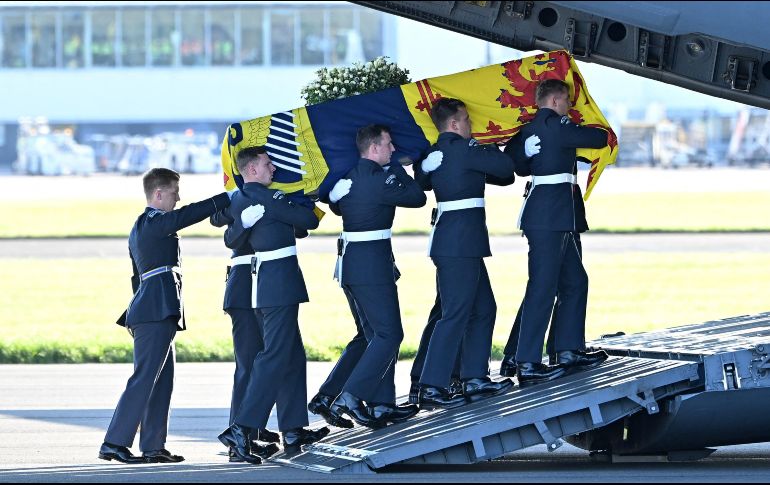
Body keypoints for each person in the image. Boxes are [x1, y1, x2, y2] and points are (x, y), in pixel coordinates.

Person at [99, 168, 231, 464]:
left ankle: (153, 445)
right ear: (158, 194)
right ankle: (114, 442)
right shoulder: (153, 222)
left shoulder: (149, 226)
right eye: (174, 192)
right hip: (154, 310)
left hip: (158, 309)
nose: (178, 198)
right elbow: (185, 216)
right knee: (145, 378)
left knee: (162, 380)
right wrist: (227, 197)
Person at [217, 146, 328, 464]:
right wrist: (300, 197)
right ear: (251, 170)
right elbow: (307, 220)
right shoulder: (268, 197)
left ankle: (292, 429)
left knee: (293, 355)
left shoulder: (241, 198)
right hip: (276, 285)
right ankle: (241, 428)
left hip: (270, 283)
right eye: (268, 164)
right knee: (274, 356)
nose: (274, 168)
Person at [504, 78, 610, 386]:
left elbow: (515, 163)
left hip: (552, 217)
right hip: (550, 218)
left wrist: (523, 149)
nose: (570, 106)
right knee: (543, 287)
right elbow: (599, 138)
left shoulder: (529, 130)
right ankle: (527, 361)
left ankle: (567, 350)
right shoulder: (557, 127)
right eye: (566, 101)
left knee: (575, 281)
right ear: (553, 102)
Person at [415, 97, 517, 410]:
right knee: (456, 313)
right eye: (468, 121)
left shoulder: (433, 154)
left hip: (457, 243)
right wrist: (486, 146)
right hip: (460, 244)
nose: (471, 126)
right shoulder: (466, 149)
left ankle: (474, 378)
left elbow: (422, 179)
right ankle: (432, 385)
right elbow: (505, 168)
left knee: (484, 308)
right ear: (456, 124)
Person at [324, 124, 426, 429]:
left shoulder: (350, 177)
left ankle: (382, 406)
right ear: (375, 148)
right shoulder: (379, 179)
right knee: (389, 334)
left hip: (353, 264)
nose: (393, 149)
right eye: (389, 145)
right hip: (370, 266)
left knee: (375, 335)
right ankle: (351, 396)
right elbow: (417, 197)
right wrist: (399, 167)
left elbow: (338, 206)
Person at [209, 209, 281, 461]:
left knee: (261, 364)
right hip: (244, 287)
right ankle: (238, 443)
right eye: (266, 165)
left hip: (256, 286)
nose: (272, 168)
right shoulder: (243, 197)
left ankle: (249, 432)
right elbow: (217, 217)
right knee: (248, 366)